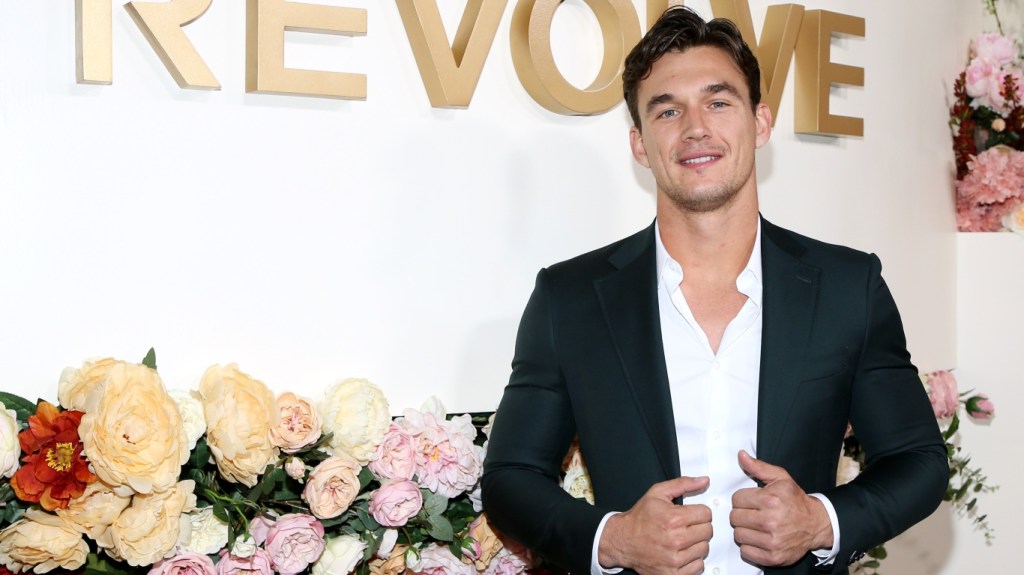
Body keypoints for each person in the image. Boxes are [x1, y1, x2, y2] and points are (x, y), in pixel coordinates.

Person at [480, 6, 948, 575]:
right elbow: (510, 478)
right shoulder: (569, 297)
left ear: (761, 122)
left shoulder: (849, 287)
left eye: (718, 102)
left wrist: (822, 522)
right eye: (668, 110)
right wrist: (613, 539)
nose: (695, 127)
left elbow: (918, 460)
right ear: (639, 143)